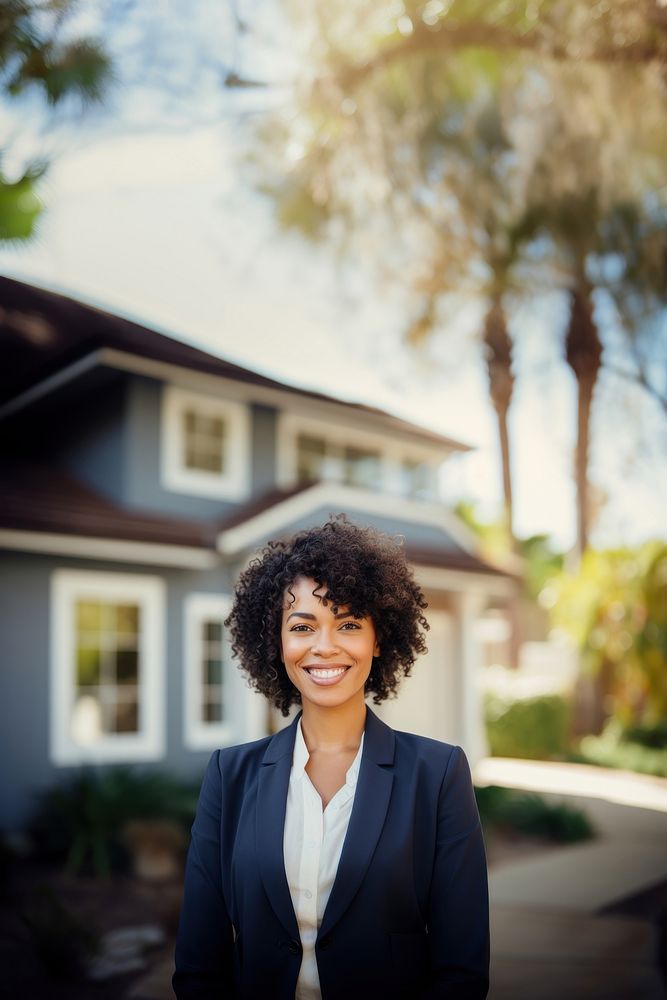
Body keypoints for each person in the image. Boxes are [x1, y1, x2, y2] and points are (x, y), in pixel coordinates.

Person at [173, 516, 489, 1000]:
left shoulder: (438, 774)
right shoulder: (228, 776)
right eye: (302, 626)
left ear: (378, 639)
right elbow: (199, 962)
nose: (325, 646)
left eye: (348, 624)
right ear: (277, 642)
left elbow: (461, 970)